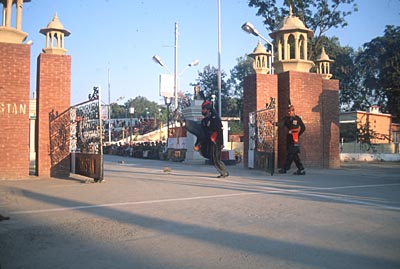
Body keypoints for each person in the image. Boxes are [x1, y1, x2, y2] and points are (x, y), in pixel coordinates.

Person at [184, 100, 229, 178]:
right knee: (210, 156)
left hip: (215, 141)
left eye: (204, 109)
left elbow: (219, 131)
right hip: (207, 141)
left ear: (208, 110)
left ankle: (224, 172)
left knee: (216, 158)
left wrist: (221, 143)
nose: (202, 111)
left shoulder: (214, 118)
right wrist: (197, 144)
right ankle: (223, 171)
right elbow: (200, 134)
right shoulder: (204, 121)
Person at [278, 105, 306, 175]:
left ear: (293, 111)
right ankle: (301, 169)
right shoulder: (286, 119)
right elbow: (281, 124)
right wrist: (274, 123)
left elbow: (303, 127)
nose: (289, 113)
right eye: (288, 112)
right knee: (294, 154)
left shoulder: (297, 118)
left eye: (290, 111)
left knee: (291, 153)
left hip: (295, 138)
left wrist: (298, 134)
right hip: (289, 138)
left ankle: (285, 168)